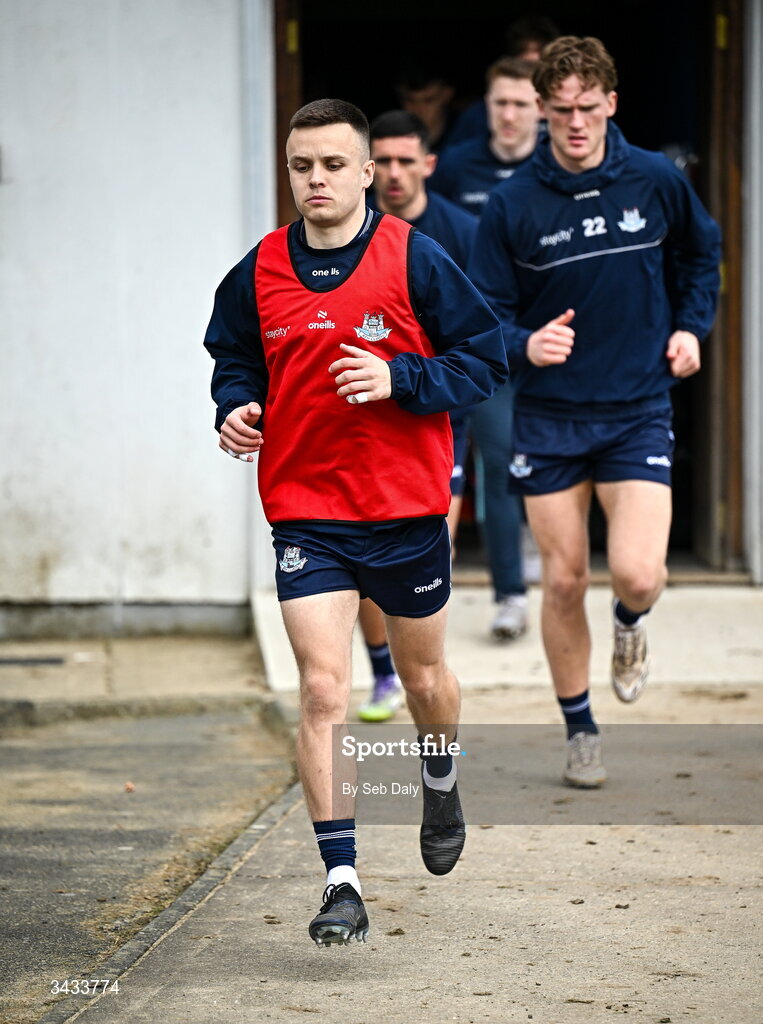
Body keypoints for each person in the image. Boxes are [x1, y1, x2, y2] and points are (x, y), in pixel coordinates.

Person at [204, 99, 507, 946]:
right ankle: (341, 880)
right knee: (325, 689)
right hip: (306, 509)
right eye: (303, 166)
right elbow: (235, 356)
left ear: (368, 171)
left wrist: (400, 379)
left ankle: (438, 775)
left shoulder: (416, 259)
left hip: (404, 508)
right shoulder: (260, 268)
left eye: (334, 165)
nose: (316, 181)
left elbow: (483, 360)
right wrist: (236, 406)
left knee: (424, 684)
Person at [470, 37, 721, 787]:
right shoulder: (513, 204)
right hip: (548, 416)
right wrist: (523, 344)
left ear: (610, 103)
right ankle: (579, 727)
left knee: (640, 574)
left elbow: (699, 256)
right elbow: (484, 313)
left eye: (588, 108)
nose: (575, 123)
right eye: (560, 112)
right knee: (564, 581)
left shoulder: (652, 179)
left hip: (637, 406)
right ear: (541, 111)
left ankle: (630, 626)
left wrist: (688, 327)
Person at [355, 110, 480, 722]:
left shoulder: (460, 232)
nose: (397, 174)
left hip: (438, 422)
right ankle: (383, 674)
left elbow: (482, 337)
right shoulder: (346, 236)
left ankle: (423, 673)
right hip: (359, 432)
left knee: (427, 552)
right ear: (370, 168)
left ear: (429, 163)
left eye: (410, 160)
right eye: (388, 162)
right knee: (360, 560)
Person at [431, 59, 541, 639]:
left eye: (521, 104)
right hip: (478, 342)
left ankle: (520, 585)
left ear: (539, 111)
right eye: (500, 102)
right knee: (491, 463)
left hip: (544, 339)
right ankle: (504, 596)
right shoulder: (456, 166)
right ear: (486, 105)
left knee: (521, 465)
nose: (509, 115)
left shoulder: (557, 168)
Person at [447, 15, 560, 148]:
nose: (508, 115)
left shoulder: (569, 110)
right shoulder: (479, 114)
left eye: (539, 67)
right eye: (526, 66)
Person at [395, 63, 459, 154]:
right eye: (410, 100)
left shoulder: (465, 134)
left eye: (428, 100)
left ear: (447, 95)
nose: (418, 110)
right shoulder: (389, 140)